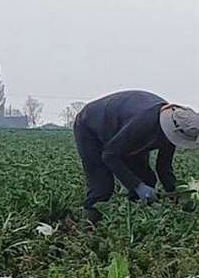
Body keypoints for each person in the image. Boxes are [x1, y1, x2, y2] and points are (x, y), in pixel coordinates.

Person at [72, 90, 198, 221]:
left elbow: (164, 167)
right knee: (102, 187)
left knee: (147, 178)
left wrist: (175, 192)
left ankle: (133, 217)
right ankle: (90, 223)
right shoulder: (143, 123)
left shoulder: (173, 131)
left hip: (122, 134)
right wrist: (138, 186)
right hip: (91, 127)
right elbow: (109, 155)